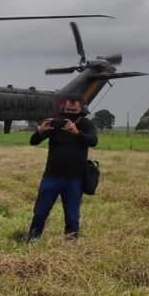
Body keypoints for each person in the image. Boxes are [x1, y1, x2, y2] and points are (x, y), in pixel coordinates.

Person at [25, 94, 98, 242]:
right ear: (63, 108)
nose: (70, 113)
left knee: (72, 217)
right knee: (40, 213)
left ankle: (70, 247)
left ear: (82, 109)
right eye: (68, 109)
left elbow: (93, 141)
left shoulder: (87, 125)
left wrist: (77, 133)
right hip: (51, 177)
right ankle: (31, 242)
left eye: (74, 110)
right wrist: (40, 132)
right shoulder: (56, 123)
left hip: (74, 179)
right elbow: (33, 141)